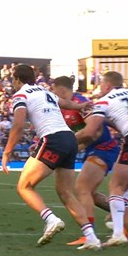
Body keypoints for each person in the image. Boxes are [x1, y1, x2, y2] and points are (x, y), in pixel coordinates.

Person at [1, 65, 101, 250]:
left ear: (16, 79)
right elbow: (65, 103)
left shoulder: (21, 95)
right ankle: (92, 237)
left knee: (24, 187)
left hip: (53, 139)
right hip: (70, 139)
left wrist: (7, 152)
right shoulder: (43, 91)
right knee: (66, 193)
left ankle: (51, 219)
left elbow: (18, 124)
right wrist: (80, 106)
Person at [50, 76, 119, 246]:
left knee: (82, 187)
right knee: (91, 195)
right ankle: (122, 213)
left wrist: (69, 145)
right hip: (95, 150)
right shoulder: (68, 106)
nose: (53, 94)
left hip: (104, 149)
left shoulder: (81, 103)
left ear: (60, 89)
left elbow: (93, 133)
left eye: (54, 90)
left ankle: (89, 234)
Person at [76, 71, 128, 246]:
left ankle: (118, 234)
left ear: (107, 86)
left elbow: (90, 131)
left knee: (116, 186)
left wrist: (64, 140)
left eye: (100, 85)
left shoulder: (105, 101)